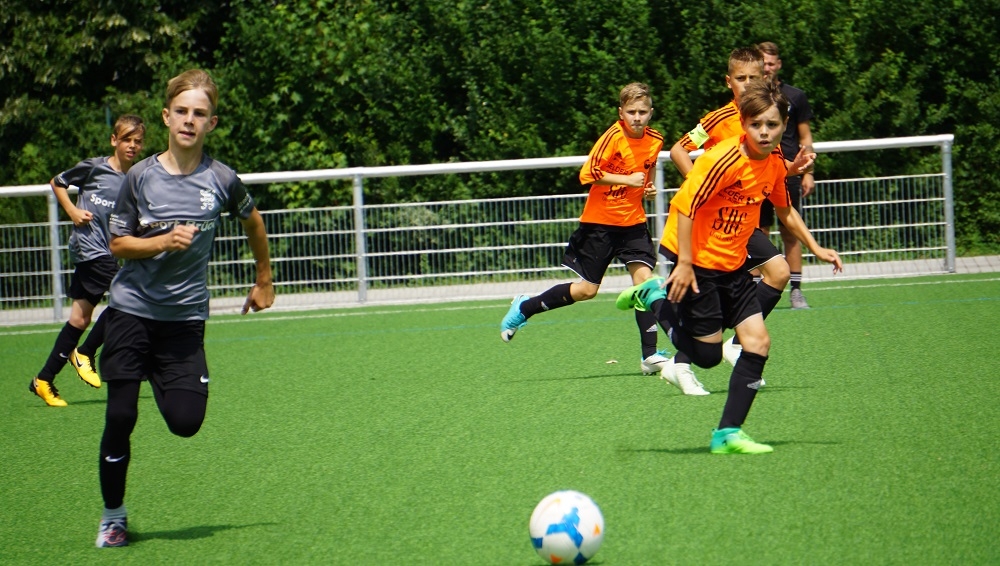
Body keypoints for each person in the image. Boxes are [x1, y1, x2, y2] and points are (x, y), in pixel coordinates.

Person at [95, 69, 274, 548]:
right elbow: (117, 244)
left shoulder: (222, 179)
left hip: (183, 320)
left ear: (211, 123)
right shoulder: (139, 176)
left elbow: (254, 222)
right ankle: (113, 517)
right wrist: (161, 241)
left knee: (186, 422)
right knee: (121, 416)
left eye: (199, 113)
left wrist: (263, 280)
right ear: (166, 117)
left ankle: (159, 370)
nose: (189, 120)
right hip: (131, 311)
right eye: (181, 111)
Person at [617, 79, 842, 454]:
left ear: (784, 125)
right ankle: (654, 295)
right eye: (756, 124)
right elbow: (685, 206)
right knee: (706, 357)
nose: (764, 132)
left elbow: (785, 210)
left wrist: (816, 248)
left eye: (772, 124)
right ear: (744, 123)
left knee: (758, 343)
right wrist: (685, 262)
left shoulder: (773, 163)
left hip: (734, 266)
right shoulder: (723, 159)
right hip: (701, 262)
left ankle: (727, 434)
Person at [662, 47, 812, 395]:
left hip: (742, 216)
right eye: (740, 78)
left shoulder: (766, 115)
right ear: (729, 82)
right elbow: (680, 149)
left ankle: (734, 342)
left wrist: (789, 170)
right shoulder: (718, 119)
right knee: (730, 294)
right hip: (715, 221)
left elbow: (768, 164)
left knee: (778, 272)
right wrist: (702, 186)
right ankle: (691, 350)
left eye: (753, 77)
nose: (747, 84)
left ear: (765, 78)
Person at [500, 82, 670, 375]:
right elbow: (587, 173)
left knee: (645, 284)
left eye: (642, 112)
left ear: (651, 113)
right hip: (599, 225)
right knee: (586, 291)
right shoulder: (612, 137)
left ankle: (650, 356)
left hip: (633, 223)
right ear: (621, 112)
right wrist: (626, 180)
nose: (637, 117)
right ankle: (525, 307)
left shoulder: (655, 139)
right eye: (631, 112)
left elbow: (647, 170)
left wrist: (649, 188)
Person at [28, 115, 146, 407]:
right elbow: (57, 183)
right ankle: (85, 352)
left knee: (80, 319)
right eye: (127, 139)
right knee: (130, 296)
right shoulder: (95, 168)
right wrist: (72, 211)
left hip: (107, 251)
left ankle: (43, 380)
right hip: (89, 248)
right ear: (114, 140)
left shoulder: (136, 179)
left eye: (138, 141)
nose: (132, 145)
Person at [757, 41, 816, 310]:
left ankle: (796, 291)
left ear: (778, 65)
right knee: (758, 232)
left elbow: (806, 137)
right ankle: (756, 287)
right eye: (763, 63)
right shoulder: (752, 98)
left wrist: (808, 172)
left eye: (771, 63)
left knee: (790, 231)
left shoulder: (795, 96)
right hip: (758, 173)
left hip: (788, 171)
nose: (767, 68)